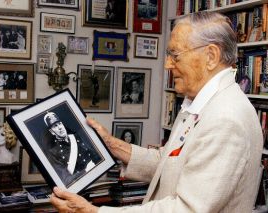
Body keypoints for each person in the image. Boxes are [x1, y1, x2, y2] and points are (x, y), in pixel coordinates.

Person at [50, 11, 264, 213]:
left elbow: (186, 209)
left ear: (211, 56)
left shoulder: (225, 118)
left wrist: (95, 211)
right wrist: (112, 145)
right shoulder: (201, 102)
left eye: (175, 55)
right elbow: (171, 161)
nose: (168, 65)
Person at [41, 112, 102, 186]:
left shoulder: (76, 137)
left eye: (60, 123)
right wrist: (86, 170)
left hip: (97, 178)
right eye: (55, 126)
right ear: (52, 131)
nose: (60, 127)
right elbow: (67, 181)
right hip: (80, 185)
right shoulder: (53, 152)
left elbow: (95, 155)